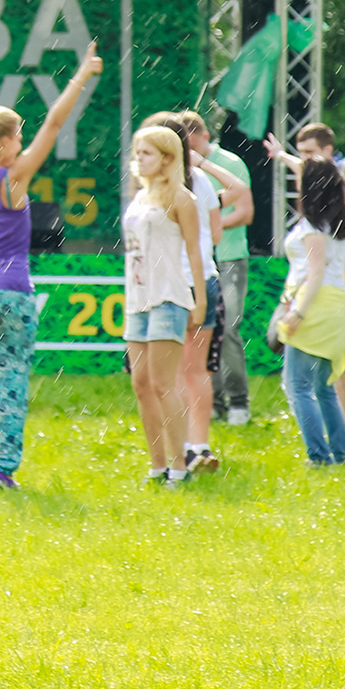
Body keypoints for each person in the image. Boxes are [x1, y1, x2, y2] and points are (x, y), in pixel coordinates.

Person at [0, 45, 101, 491]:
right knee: (10, 383)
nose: (23, 143)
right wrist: (81, 75)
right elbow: (55, 122)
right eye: (19, 136)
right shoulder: (14, 179)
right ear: (6, 142)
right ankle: (3, 471)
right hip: (12, 292)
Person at [269, 115, 345, 439]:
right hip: (332, 278)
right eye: (299, 152)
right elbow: (303, 167)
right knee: (332, 350)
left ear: (328, 151)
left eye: (309, 151)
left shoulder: (341, 172)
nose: (302, 158)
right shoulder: (317, 174)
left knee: (341, 346)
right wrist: (280, 156)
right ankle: (342, 424)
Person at [121, 124, 206, 487]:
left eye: (147, 153)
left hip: (169, 297)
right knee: (140, 384)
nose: (139, 159)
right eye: (137, 152)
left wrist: (199, 300)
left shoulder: (182, 198)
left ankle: (179, 464)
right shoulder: (139, 197)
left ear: (168, 158)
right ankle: (157, 465)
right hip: (137, 298)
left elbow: (195, 251)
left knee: (162, 383)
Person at [152, 111, 235, 473]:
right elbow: (216, 234)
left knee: (170, 376)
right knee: (197, 371)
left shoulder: (156, 187)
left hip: (170, 282)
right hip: (206, 277)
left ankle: (181, 448)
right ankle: (200, 445)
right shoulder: (200, 180)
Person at [272, 160, 345, 466]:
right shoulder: (343, 228)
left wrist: (298, 313)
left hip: (314, 304)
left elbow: (314, 272)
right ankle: (341, 454)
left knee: (299, 387)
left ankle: (318, 456)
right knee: (324, 388)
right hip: (337, 305)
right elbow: (343, 274)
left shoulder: (311, 228)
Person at [199, 116, 257, 425]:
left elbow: (246, 210)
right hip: (202, 260)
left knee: (229, 330)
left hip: (230, 257)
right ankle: (214, 403)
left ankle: (239, 402)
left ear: (204, 136)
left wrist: (208, 227)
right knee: (205, 330)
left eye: (193, 146)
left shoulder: (229, 163)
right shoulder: (182, 168)